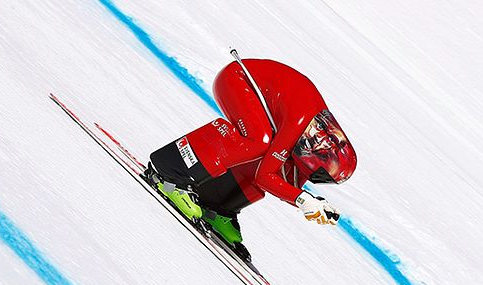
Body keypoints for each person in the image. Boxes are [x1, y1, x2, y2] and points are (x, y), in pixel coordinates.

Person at [144, 58, 357, 260]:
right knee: (259, 140)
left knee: (269, 153)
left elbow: (287, 184)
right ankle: (169, 173)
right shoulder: (299, 124)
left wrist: (311, 203)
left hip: (253, 88)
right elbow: (266, 176)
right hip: (236, 79)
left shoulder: (315, 133)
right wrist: (302, 200)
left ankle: (217, 204)